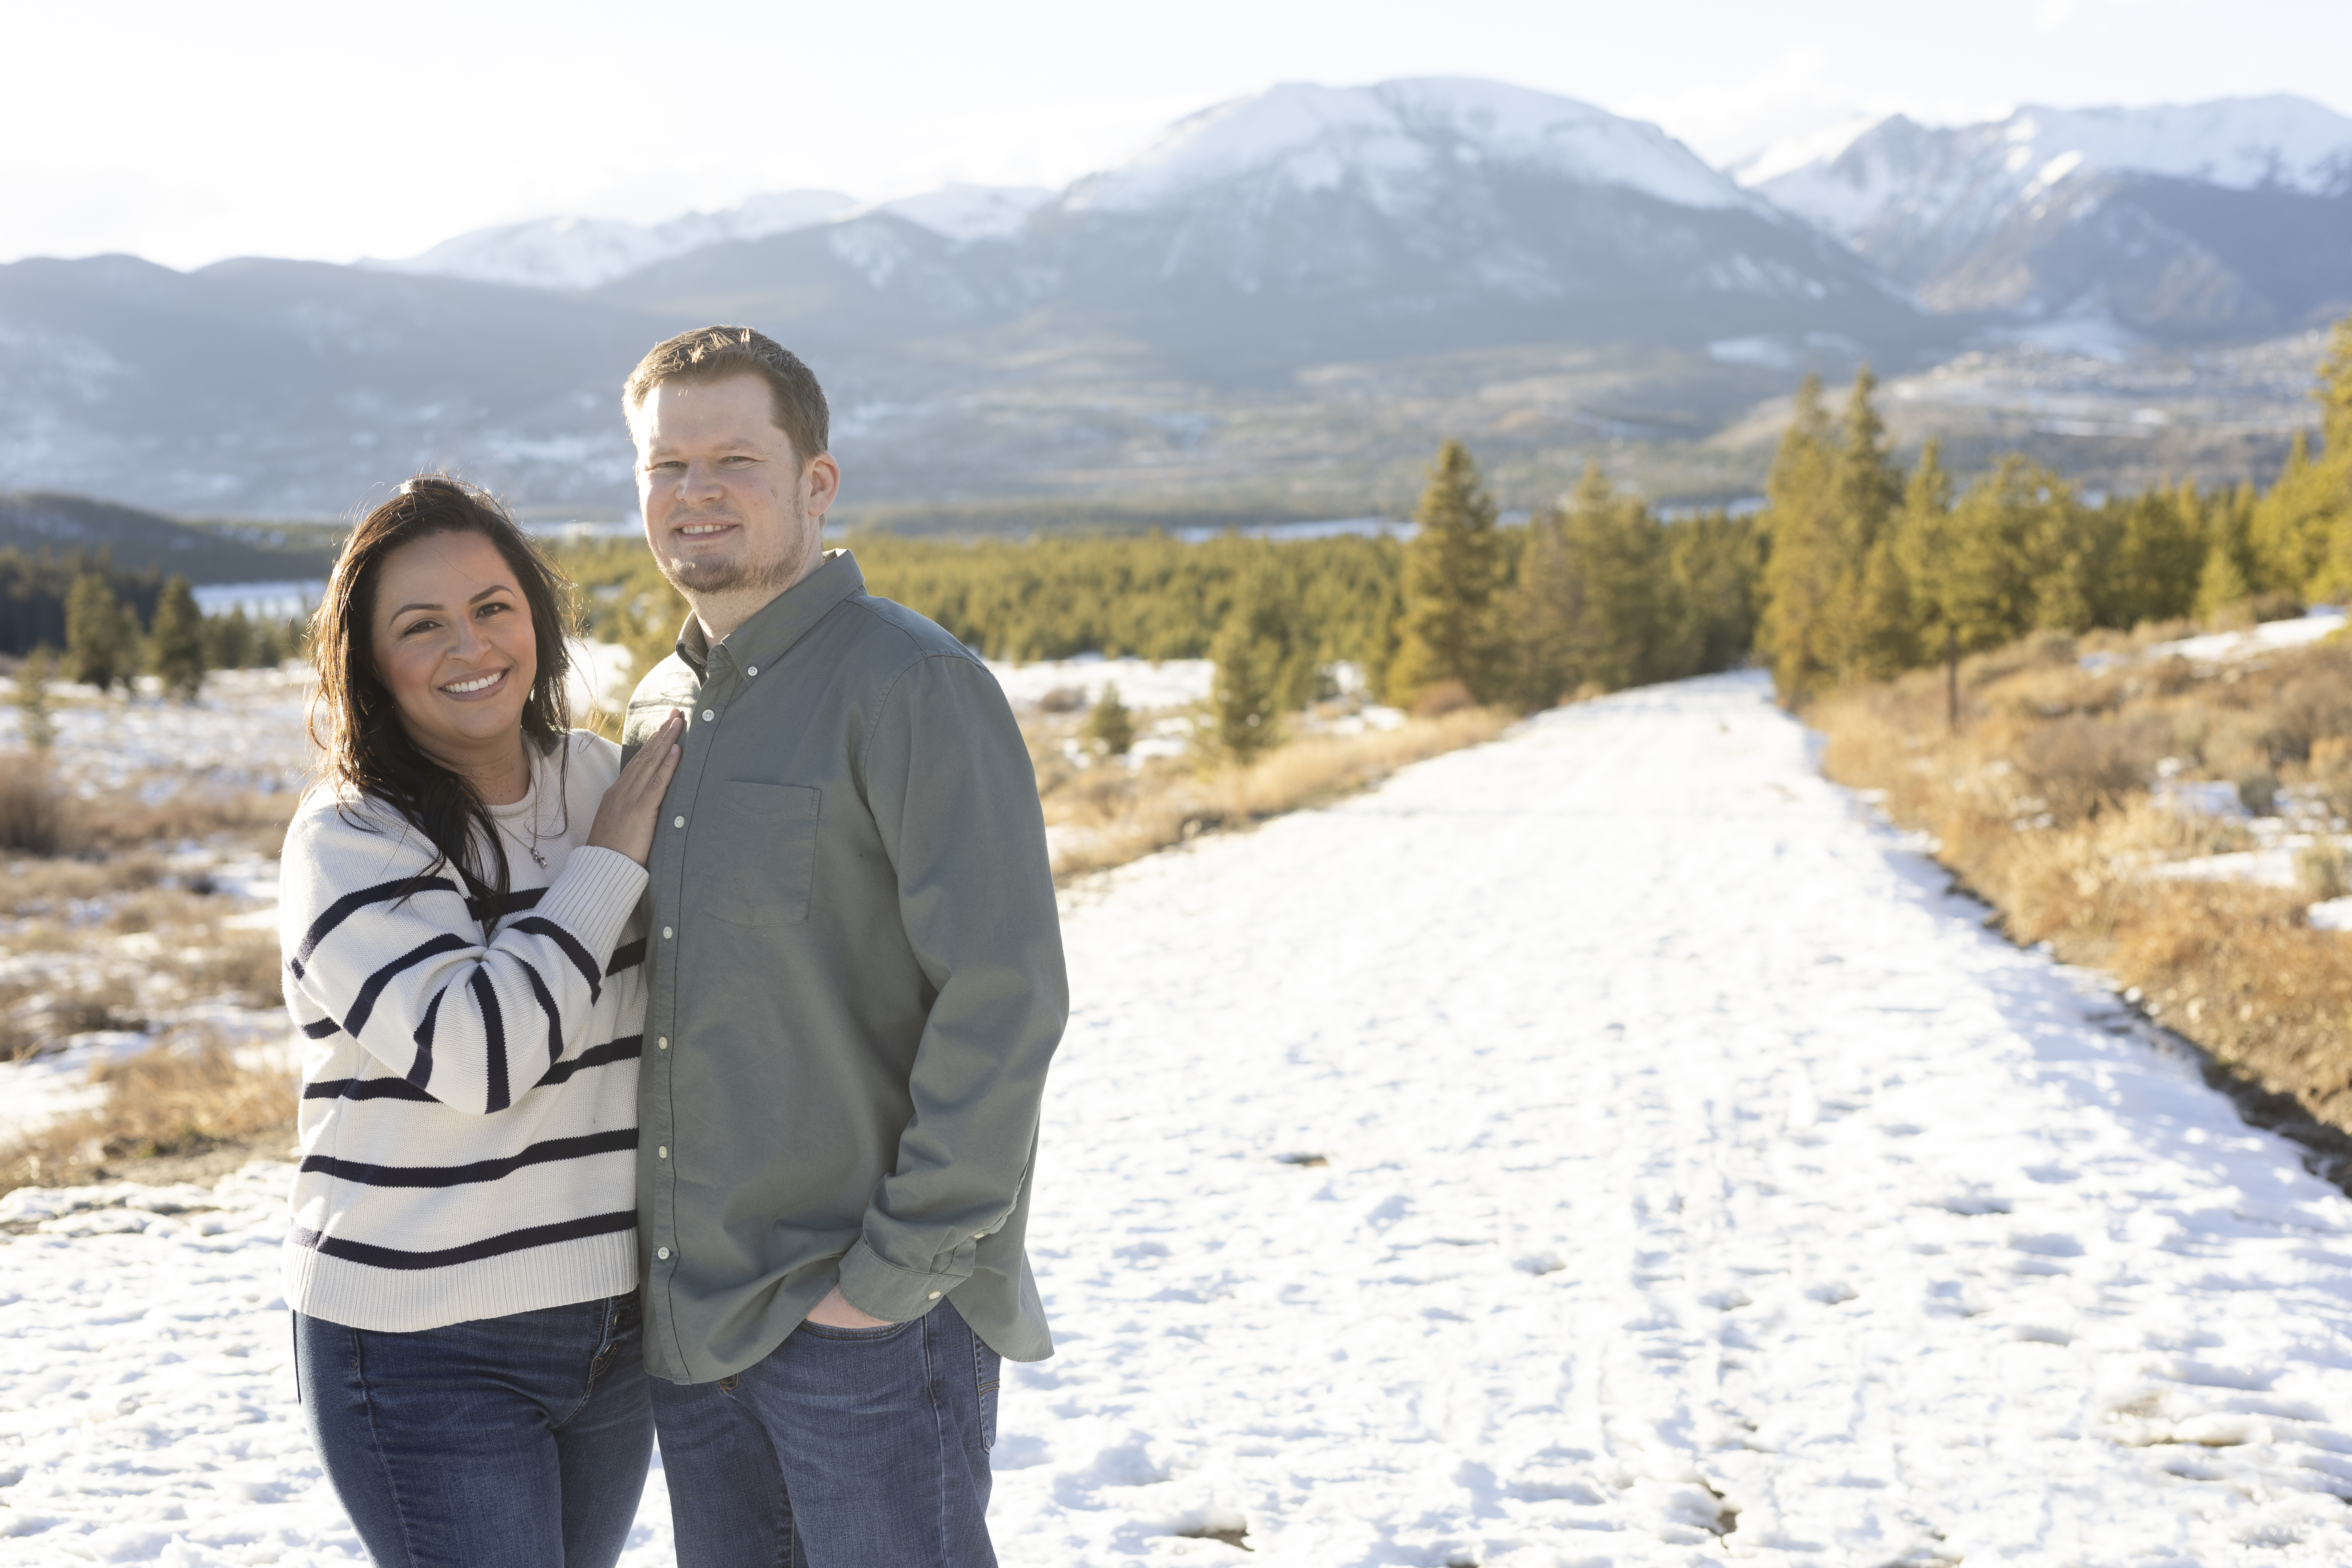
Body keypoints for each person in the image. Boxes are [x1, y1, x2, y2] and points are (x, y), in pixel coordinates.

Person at [618, 325, 1066, 1565]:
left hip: (861, 1317)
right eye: (666, 467)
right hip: (692, 1318)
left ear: (817, 481)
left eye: (733, 460)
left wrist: (885, 1282)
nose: (695, 493)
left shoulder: (911, 684)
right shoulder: (658, 706)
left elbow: (1005, 998)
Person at [279, 475, 685, 1567]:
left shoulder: (601, 777)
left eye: (493, 607)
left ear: (538, 619)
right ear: (369, 662)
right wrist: (606, 867)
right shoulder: (352, 836)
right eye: (421, 625)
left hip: (611, 1324)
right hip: (422, 1345)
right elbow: (484, 1054)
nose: (471, 645)